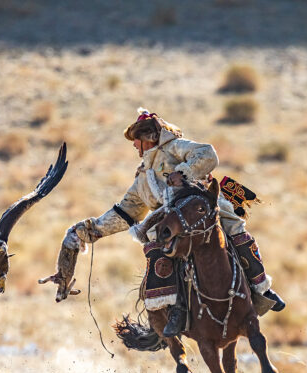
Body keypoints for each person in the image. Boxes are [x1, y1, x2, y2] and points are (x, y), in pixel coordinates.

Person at [70, 108, 285, 337]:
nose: (134, 146)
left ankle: (262, 288)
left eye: (136, 140)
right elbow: (125, 212)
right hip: (170, 226)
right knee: (157, 253)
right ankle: (172, 312)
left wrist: (183, 173)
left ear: (147, 138)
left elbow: (208, 154)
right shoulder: (142, 177)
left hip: (200, 210)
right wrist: (89, 231)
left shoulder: (175, 146)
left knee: (234, 228)